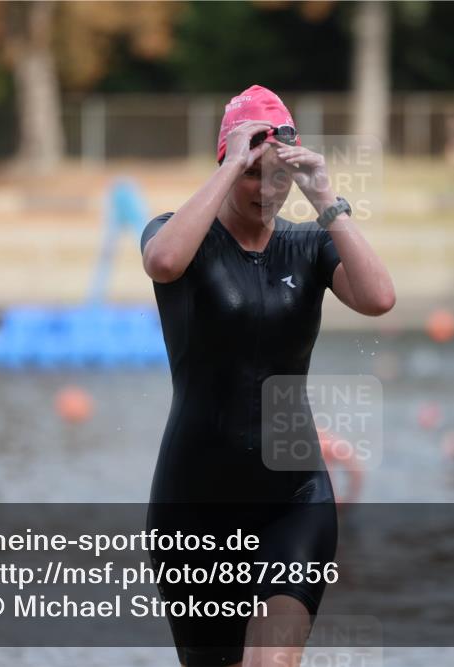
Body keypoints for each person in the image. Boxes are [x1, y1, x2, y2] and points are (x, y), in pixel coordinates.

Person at [140, 84, 395, 667]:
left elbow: (380, 298)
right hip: (194, 504)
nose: (266, 190)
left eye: (277, 174)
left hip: (293, 497)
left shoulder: (309, 247)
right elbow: (162, 263)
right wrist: (233, 163)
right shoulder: (180, 235)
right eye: (254, 175)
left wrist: (326, 197)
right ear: (226, 166)